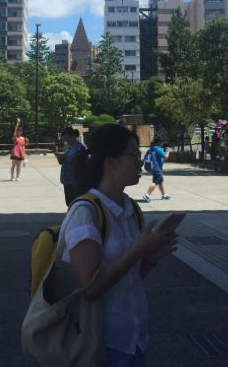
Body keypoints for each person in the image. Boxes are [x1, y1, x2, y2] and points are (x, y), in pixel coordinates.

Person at [61, 123, 177, 365]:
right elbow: (91, 288)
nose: (141, 162)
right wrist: (139, 250)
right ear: (110, 161)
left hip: (134, 338)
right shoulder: (85, 212)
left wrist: (151, 257)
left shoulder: (130, 208)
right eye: (133, 154)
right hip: (101, 343)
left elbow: (130, 278)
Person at [57, 127, 85, 206]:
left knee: (75, 203)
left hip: (75, 180)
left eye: (67, 138)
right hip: (66, 179)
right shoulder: (68, 147)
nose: (66, 140)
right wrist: (60, 158)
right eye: (64, 138)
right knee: (69, 202)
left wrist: (66, 158)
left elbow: (80, 163)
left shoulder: (80, 148)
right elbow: (64, 162)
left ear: (73, 136)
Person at [142, 136, 171, 202]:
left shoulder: (150, 149)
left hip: (149, 167)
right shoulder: (159, 149)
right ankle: (147, 194)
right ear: (159, 142)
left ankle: (164, 195)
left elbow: (144, 158)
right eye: (162, 142)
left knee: (160, 180)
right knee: (156, 181)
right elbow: (166, 157)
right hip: (156, 167)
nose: (163, 144)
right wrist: (168, 151)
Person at [10, 117, 27, 182]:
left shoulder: (23, 138)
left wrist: (24, 154)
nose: (19, 132)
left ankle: (17, 176)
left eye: (20, 131)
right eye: (18, 131)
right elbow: (14, 131)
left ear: (22, 132)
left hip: (20, 153)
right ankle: (12, 176)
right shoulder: (15, 137)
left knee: (19, 166)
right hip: (15, 152)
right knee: (13, 165)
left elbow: (23, 147)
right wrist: (17, 123)